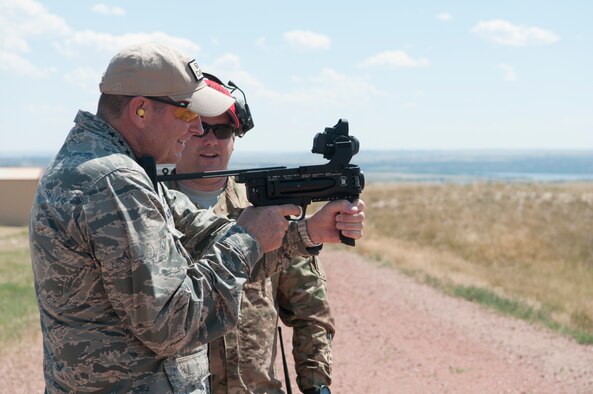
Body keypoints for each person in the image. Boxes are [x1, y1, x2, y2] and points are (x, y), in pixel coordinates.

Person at [28, 42, 365, 394]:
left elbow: (204, 234)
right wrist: (246, 241)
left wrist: (309, 232)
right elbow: (170, 324)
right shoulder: (114, 182)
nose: (195, 132)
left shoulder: (105, 168)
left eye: (219, 129)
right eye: (189, 115)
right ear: (140, 110)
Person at [169, 74, 335, 394]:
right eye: (200, 127)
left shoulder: (266, 213)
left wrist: (317, 385)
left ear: (235, 136)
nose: (210, 140)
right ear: (180, 131)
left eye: (223, 130)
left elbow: (309, 307)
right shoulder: (150, 209)